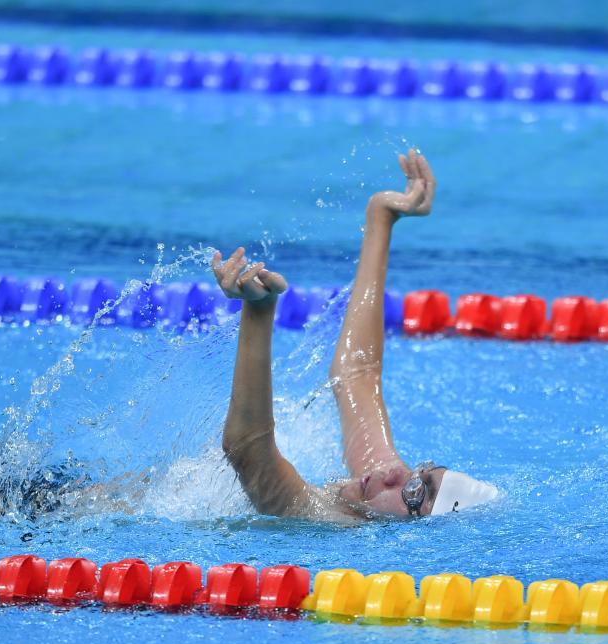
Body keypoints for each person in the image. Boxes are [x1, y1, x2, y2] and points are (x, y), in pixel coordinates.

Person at [212, 149, 498, 521]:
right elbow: (356, 373)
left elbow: (247, 450)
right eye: (419, 473)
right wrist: (382, 215)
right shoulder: (381, 489)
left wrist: (259, 309)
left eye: (415, 491)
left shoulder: (332, 522)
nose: (395, 471)